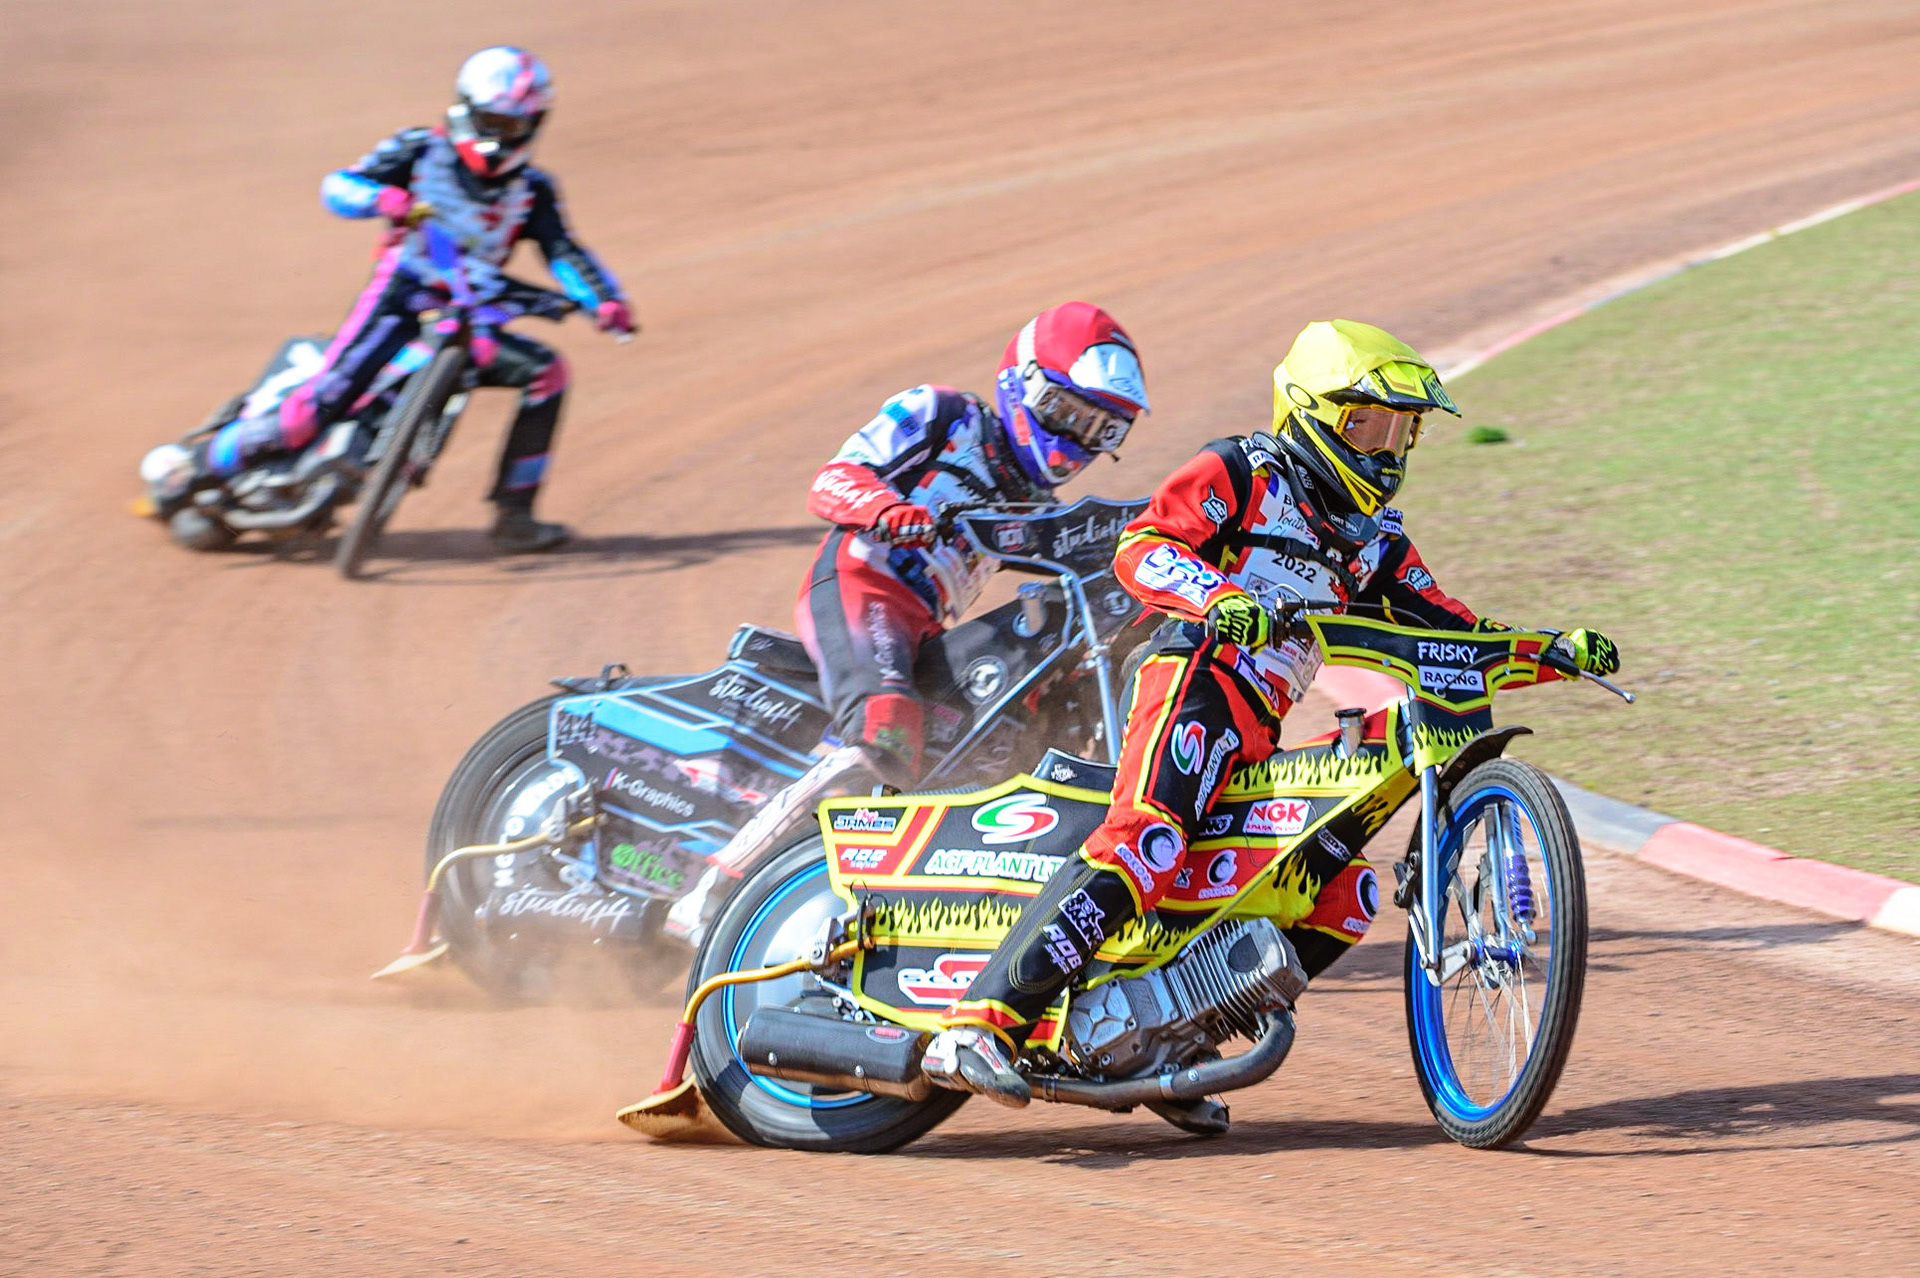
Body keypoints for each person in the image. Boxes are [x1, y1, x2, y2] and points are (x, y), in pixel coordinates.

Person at [919, 319, 1620, 1120]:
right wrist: (1221, 599)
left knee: (1338, 892)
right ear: (1309, 413)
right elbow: (1143, 546)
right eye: (1367, 425)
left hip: (1259, 718)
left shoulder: (1377, 538)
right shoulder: (1243, 469)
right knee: (1149, 840)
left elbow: (1446, 627)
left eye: (1402, 430)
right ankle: (981, 1024)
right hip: (1190, 676)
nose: (1387, 448)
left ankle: (1168, 1044)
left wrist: (1549, 650)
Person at [663, 302, 1151, 943]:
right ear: (1023, 382)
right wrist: (889, 509)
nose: (1079, 442)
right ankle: (712, 894)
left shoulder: (1038, 506)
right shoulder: (943, 415)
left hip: (922, 627)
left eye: (1102, 430)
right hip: (863, 583)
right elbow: (832, 480)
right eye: (1070, 416)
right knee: (886, 735)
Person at [167, 47, 634, 553]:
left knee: (548, 373)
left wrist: (604, 300)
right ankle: (188, 473)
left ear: (535, 125)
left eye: (514, 127)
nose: (500, 138)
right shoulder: (419, 150)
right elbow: (338, 186)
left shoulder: (534, 189)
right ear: (466, 109)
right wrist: (381, 198)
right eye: (492, 121)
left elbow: (561, 249)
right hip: (399, 296)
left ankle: (514, 517)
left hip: (471, 315)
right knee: (306, 416)